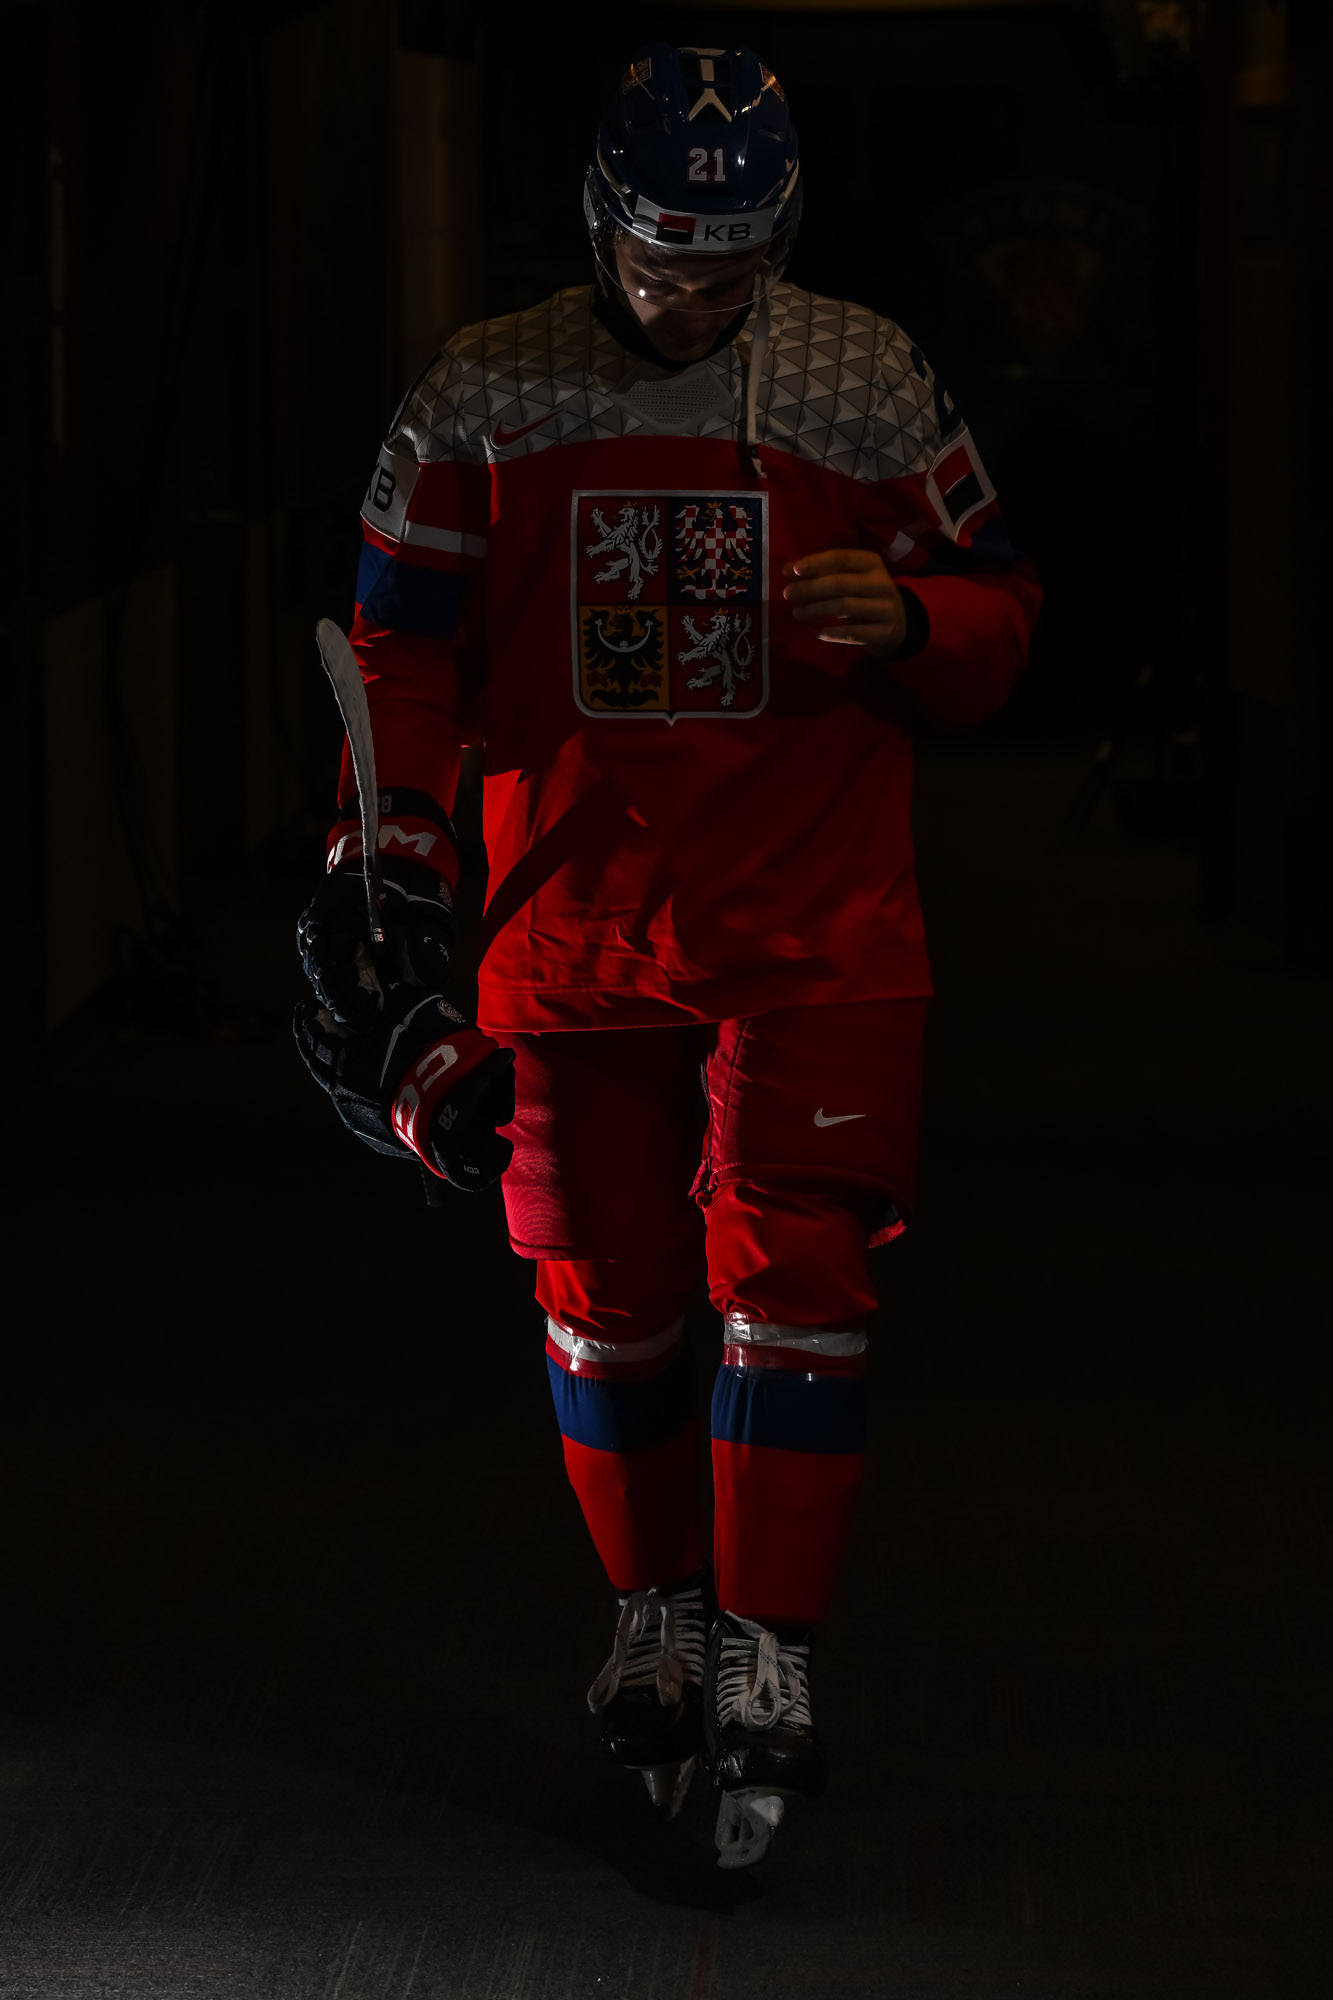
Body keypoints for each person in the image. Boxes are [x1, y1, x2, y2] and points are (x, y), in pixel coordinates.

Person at [295, 42, 1042, 1868]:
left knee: (796, 1277)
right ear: (598, 222)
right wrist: (390, 855)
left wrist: (914, 617)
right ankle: (653, 1605)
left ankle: (770, 1642)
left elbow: (1004, 607)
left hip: (814, 915)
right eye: (659, 266)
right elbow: (396, 647)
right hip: (572, 918)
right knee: (595, 1282)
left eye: (728, 270)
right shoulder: (485, 391)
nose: (690, 302)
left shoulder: (862, 378)